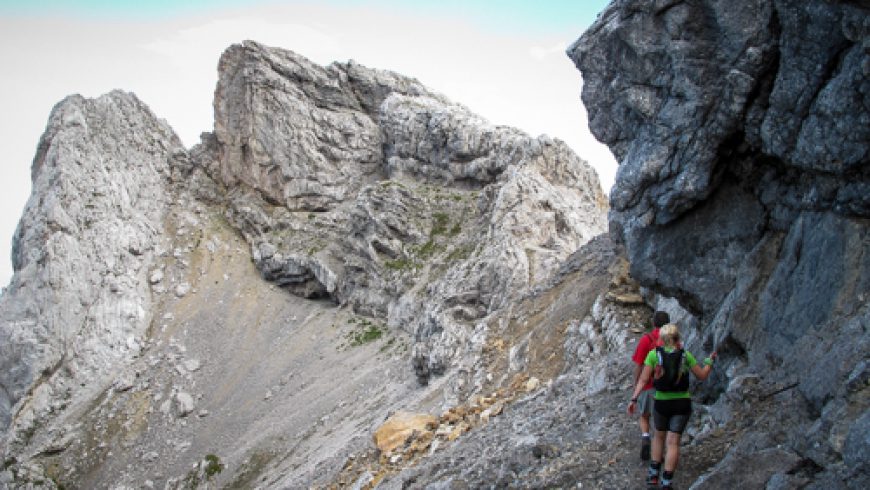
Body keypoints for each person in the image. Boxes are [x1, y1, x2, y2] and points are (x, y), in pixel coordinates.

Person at [628, 323, 716, 489]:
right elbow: (702, 375)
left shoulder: (654, 355)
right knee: (673, 442)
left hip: (661, 402)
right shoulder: (685, 355)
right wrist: (709, 361)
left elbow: (644, 379)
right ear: (677, 338)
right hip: (682, 403)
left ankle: (653, 475)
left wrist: (634, 399)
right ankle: (666, 482)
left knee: (659, 436)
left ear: (661, 338)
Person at [631, 310, 670, 461]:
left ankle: (646, 436)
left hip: (648, 386)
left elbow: (639, 364)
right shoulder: (673, 340)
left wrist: (636, 386)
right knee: (661, 422)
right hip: (667, 387)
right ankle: (661, 452)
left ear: (654, 323)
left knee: (644, 415)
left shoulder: (647, 340)